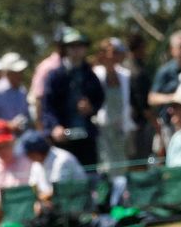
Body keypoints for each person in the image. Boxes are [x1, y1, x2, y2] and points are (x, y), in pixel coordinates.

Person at [40, 30, 104, 167]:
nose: (76, 50)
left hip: (86, 136)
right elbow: (47, 107)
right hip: (63, 138)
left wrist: (91, 108)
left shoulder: (90, 75)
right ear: (65, 49)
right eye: (72, 46)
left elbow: (99, 99)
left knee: (90, 176)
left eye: (80, 46)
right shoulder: (55, 76)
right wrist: (55, 126)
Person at [91, 38, 137, 171]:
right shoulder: (95, 74)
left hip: (121, 128)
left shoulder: (125, 75)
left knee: (123, 165)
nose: (115, 56)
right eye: (113, 52)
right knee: (105, 166)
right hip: (102, 130)